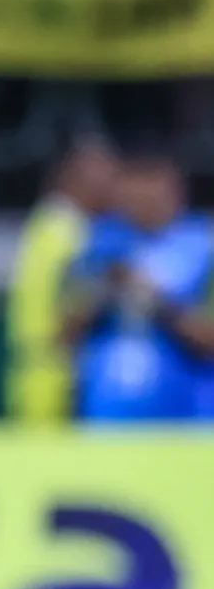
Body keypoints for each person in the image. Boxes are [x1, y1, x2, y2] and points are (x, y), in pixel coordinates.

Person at [62, 153, 214, 424]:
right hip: (106, 414)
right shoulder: (98, 244)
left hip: (186, 417)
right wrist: (104, 293)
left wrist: (159, 304)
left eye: (151, 196)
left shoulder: (203, 247)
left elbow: (208, 338)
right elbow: (60, 335)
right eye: (132, 197)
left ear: (174, 192)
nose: (140, 205)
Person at [9, 137, 119, 426]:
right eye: (104, 181)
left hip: (34, 374)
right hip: (59, 380)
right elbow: (74, 311)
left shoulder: (43, 224)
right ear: (74, 180)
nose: (112, 191)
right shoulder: (71, 234)